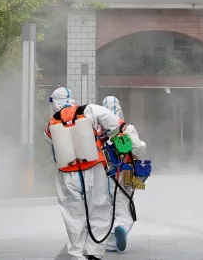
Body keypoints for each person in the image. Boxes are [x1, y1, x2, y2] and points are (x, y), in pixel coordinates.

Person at [46, 87, 128, 260]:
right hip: (93, 168)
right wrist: (108, 135)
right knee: (99, 209)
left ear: (54, 103)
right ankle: (94, 252)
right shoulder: (89, 110)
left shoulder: (51, 123)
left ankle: (77, 253)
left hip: (67, 174)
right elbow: (115, 124)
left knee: (73, 215)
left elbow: (54, 148)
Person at [101, 95, 148, 253]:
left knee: (105, 209)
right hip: (124, 172)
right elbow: (138, 149)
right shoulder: (126, 128)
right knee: (125, 208)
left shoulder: (97, 130)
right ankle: (120, 228)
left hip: (101, 174)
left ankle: (107, 243)